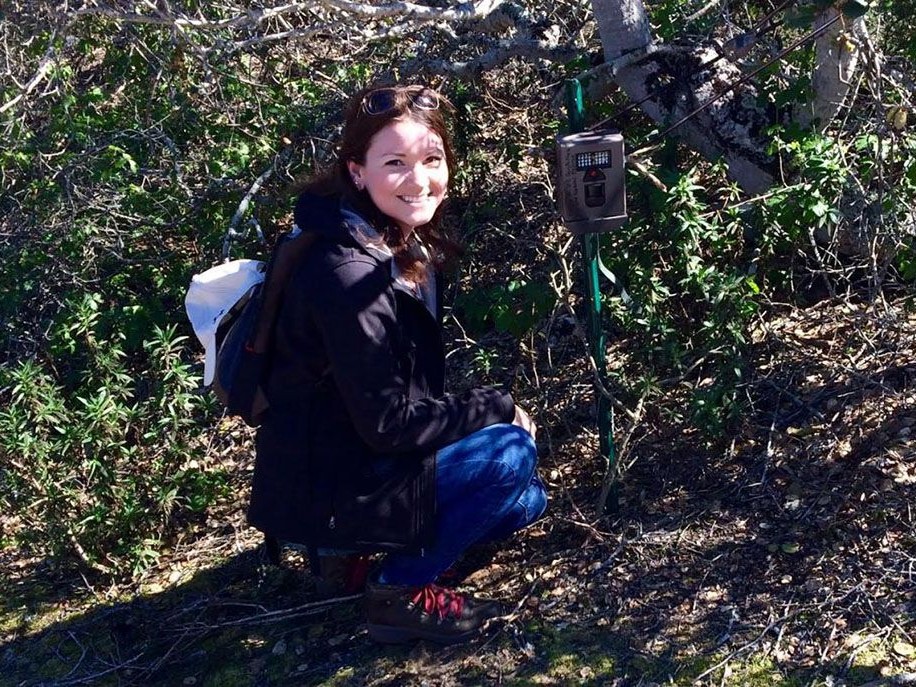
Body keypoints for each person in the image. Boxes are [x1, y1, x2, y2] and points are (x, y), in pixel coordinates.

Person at [247, 84, 547, 645]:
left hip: (361, 465)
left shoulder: (391, 244)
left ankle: (359, 560)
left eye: (432, 159)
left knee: (526, 501)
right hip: (335, 487)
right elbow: (388, 425)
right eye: (395, 164)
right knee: (508, 456)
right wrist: (497, 406)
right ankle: (396, 590)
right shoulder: (348, 274)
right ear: (356, 171)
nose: (419, 179)